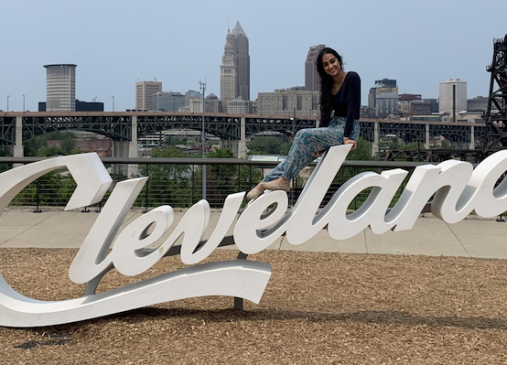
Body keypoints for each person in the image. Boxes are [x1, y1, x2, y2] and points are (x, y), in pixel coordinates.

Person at [247, 47, 361, 200]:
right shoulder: (327, 86)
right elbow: (325, 114)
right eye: (325, 65)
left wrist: (346, 136)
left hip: (348, 128)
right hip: (332, 128)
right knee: (293, 159)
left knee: (301, 135)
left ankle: (284, 181)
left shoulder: (352, 78)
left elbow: (352, 108)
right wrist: (321, 142)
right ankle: (261, 185)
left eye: (332, 61)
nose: (330, 66)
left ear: (339, 61)